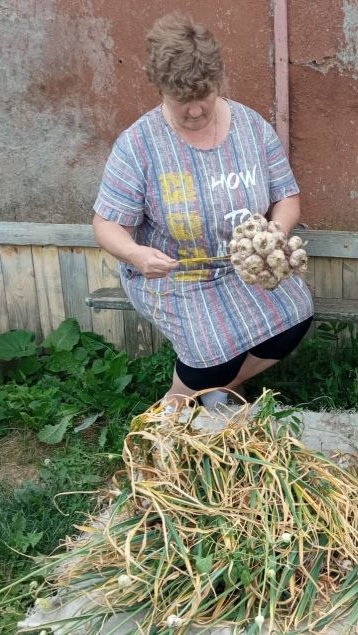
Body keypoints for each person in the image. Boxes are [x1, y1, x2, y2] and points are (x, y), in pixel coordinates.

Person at [92, 13, 313, 409]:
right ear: (161, 89)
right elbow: (107, 224)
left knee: (296, 315)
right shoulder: (139, 146)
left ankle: (220, 387)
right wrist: (136, 254)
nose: (195, 111)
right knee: (211, 348)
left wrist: (271, 237)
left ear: (218, 82)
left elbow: (287, 198)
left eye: (204, 98)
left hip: (242, 266)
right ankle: (172, 410)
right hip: (178, 274)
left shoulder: (252, 128)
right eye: (182, 102)